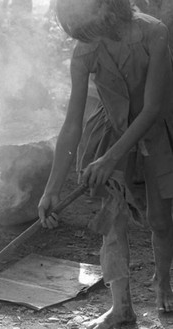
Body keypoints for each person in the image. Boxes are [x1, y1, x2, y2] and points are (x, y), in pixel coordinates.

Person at [37, 1, 173, 328]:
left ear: (106, 9)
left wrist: (109, 158)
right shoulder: (86, 50)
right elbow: (72, 125)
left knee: (160, 220)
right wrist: (51, 190)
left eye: (88, 28)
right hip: (111, 128)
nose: (86, 38)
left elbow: (152, 109)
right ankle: (122, 308)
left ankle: (162, 281)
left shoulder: (154, 32)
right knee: (111, 216)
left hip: (157, 130)